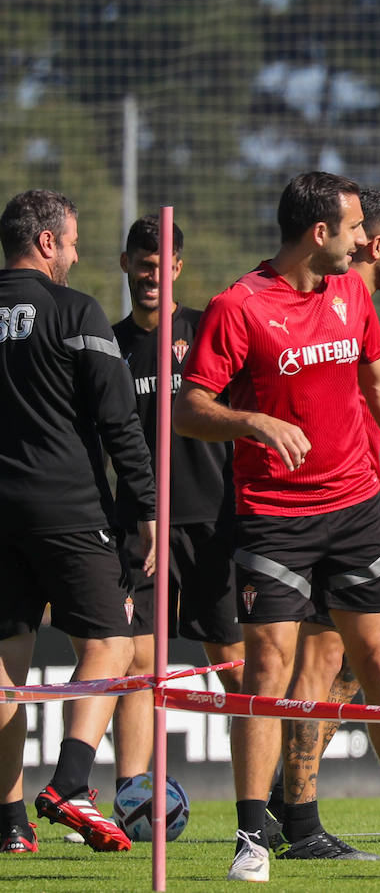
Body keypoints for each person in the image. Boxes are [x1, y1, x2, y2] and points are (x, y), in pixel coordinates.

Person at [173, 171, 380, 882]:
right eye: (358, 228)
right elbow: (187, 408)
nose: (369, 241)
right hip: (273, 520)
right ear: (319, 233)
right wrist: (253, 421)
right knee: (267, 670)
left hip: (357, 511)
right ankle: (250, 838)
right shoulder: (236, 307)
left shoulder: (352, 294)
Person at [0, 189, 157, 854]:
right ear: (45, 243)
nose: (74, 254)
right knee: (113, 642)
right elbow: (119, 421)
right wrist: (146, 507)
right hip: (67, 510)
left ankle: (9, 826)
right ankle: (68, 783)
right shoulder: (74, 310)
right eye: (70, 243)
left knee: (7, 664)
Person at [265, 188, 380, 861]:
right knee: (330, 658)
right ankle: (294, 813)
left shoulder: (353, 304)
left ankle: (289, 804)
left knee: (346, 663)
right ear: (374, 245)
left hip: (353, 504)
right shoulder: (326, 304)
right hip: (316, 511)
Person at [109, 216, 246, 806]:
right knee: (138, 667)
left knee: (237, 669)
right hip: (139, 527)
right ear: (126, 265)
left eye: (162, 266)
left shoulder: (205, 331)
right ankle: (128, 798)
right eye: (143, 265)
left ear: (178, 269)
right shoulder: (108, 345)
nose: (152, 277)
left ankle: (259, 806)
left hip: (214, 524)